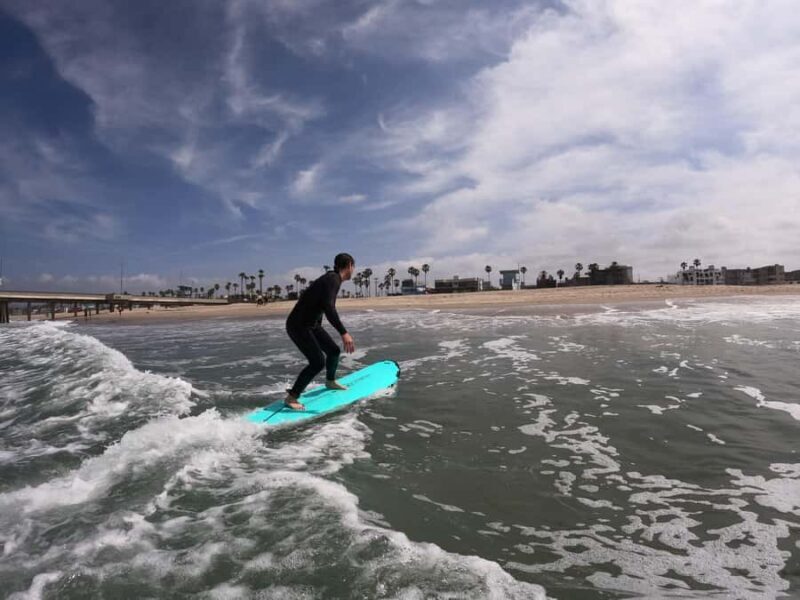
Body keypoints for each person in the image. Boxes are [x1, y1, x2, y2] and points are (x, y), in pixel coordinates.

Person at [284, 253, 356, 410]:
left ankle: (330, 381)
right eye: (353, 267)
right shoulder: (333, 279)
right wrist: (344, 333)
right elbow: (329, 308)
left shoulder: (331, 279)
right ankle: (292, 397)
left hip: (311, 324)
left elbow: (319, 305)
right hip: (299, 325)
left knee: (333, 351)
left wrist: (318, 327)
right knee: (317, 362)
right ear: (349, 265)